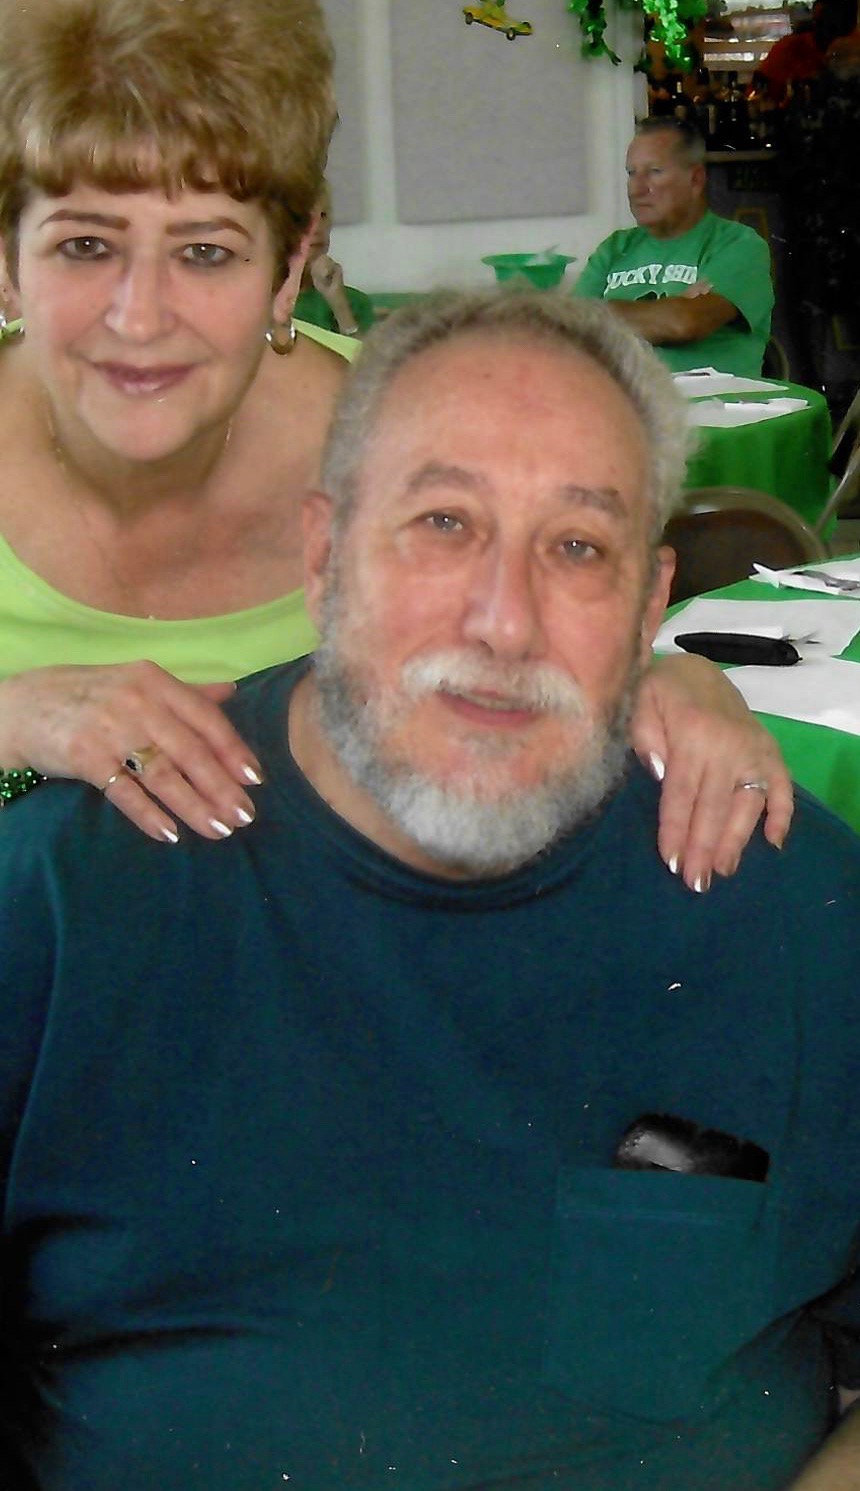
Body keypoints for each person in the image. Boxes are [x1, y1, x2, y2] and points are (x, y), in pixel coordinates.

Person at [2, 289, 859, 1491]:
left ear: (648, 606)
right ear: (321, 557)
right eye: (442, 523)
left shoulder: (788, 899)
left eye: (576, 547)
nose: (502, 621)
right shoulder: (65, 902)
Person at [0, 0, 793, 893]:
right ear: (7, 261)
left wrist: (669, 682)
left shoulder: (414, 427)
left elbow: (547, 612)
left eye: (206, 253)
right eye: (85, 245)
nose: (140, 317)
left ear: (287, 270)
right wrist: (12, 721)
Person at [573, 117, 774, 377]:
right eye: (632, 173)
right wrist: (672, 306)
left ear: (695, 179)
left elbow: (683, 323)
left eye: (655, 171)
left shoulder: (738, 244)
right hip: (623, 398)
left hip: (712, 400)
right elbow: (570, 325)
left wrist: (597, 317)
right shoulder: (614, 248)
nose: (637, 189)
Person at [294, 180, 375, 338]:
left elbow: (363, 355)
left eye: (323, 216)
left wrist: (340, 307)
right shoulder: (258, 301)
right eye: (303, 218)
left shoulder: (355, 302)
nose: (317, 228)